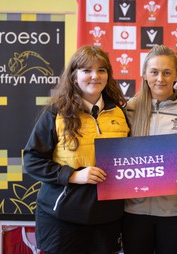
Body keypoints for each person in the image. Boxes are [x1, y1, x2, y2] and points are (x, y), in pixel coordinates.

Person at [23, 45, 130, 253]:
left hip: (107, 218)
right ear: (73, 76)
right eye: (86, 70)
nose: (95, 76)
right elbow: (32, 160)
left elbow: (130, 160)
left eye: (101, 70)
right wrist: (74, 176)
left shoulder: (119, 112)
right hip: (62, 218)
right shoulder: (56, 113)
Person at [121, 45, 177, 254]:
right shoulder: (128, 110)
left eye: (167, 72)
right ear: (144, 74)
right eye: (154, 72)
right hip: (133, 210)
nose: (160, 79)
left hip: (173, 212)